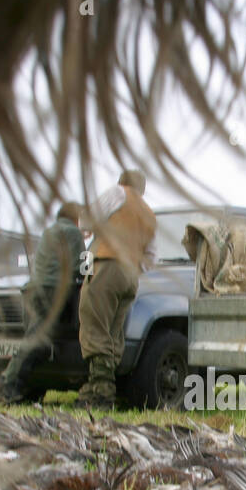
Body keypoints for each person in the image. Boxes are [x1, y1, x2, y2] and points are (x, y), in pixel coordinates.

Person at [77, 169, 157, 407]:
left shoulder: (118, 193)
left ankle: (100, 393)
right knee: (113, 333)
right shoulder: (149, 214)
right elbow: (151, 256)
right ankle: (102, 387)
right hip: (131, 276)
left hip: (107, 265)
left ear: (122, 182)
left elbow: (86, 219)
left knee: (94, 326)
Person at [0, 201, 86, 403]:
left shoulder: (49, 231)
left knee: (37, 339)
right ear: (76, 217)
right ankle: (7, 386)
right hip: (52, 290)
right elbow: (82, 266)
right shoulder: (73, 233)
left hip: (34, 288)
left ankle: (20, 386)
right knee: (36, 340)